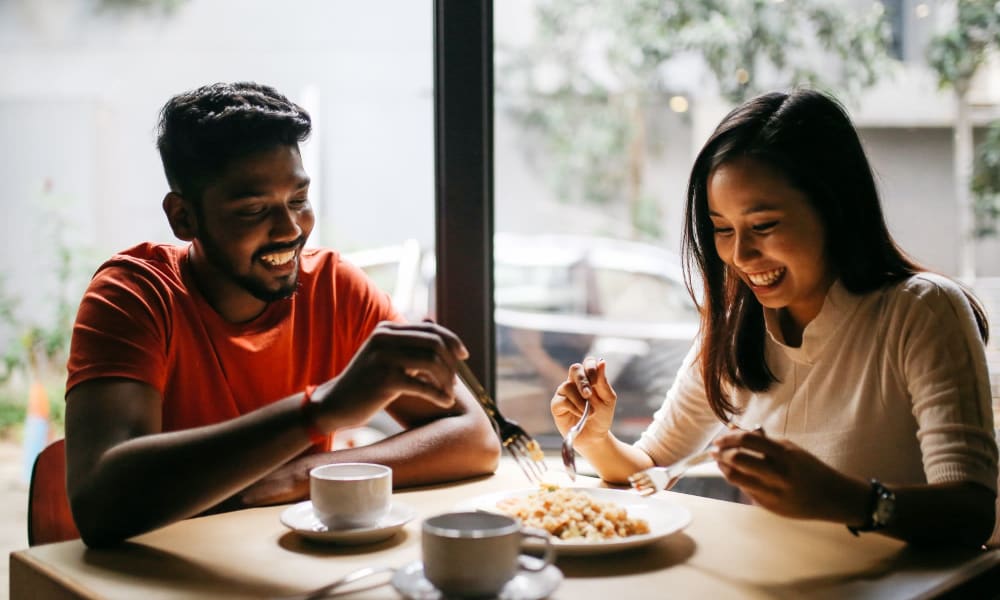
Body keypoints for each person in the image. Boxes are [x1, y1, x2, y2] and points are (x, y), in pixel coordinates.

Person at [551, 88, 998, 547]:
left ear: (834, 207)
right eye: (722, 229)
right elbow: (651, 467)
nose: (740, 254)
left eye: (763, 226)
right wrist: (595, 438)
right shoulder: (736, 326)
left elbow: (971, 511)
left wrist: (846, 499)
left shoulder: (921, 311)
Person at [64, 82, 501, 548]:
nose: (291, 230)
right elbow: (99, 504)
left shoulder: (334, 288)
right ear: (184, 218)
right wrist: (320, 411)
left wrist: (299, 475)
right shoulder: (134, 295)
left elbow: (475, 439)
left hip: (286, 560)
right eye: (254, 210)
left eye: (298, 200)